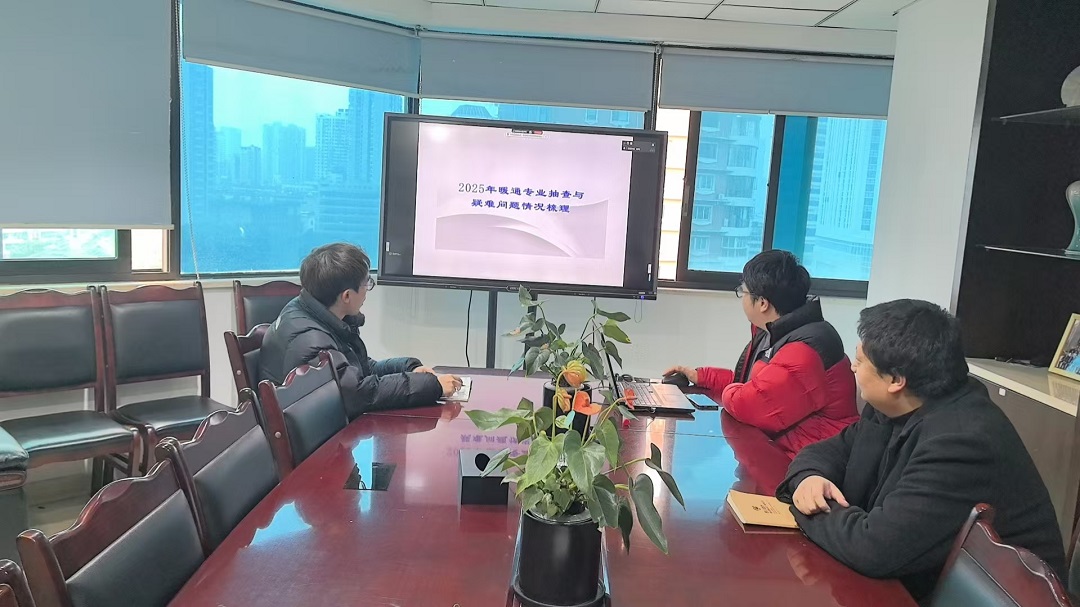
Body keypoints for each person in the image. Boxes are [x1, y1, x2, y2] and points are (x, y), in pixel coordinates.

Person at [775, 299, 1064, 600]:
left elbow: (874, 548)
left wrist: (809, 508)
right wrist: (809, 479)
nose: (852, 366)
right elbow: (825, 453)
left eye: (860, 361)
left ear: (896, 380)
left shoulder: (962, 443)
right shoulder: (894, 406)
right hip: (919, 580)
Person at [663, 250, 858, 458]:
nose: (742, 298)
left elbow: (750, 405)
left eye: (743, 292)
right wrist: (702, 376)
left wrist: (732, 392)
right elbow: (756, 387)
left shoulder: (804, 350)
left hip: (813, 462)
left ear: (763, 303)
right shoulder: (776, 331)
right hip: (787, 450)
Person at [259, 243, 461, 417]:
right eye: (366, 283)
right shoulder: (312, 341)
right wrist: (432, 386)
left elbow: (359, 370)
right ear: (346, 296)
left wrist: (410, 368)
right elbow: (360, 394)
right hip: (319, 442)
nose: (367, 290)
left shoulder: (311, 310)